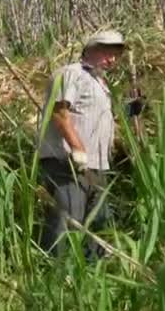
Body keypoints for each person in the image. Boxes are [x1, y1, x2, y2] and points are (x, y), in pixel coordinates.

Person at [36, 29, 144, 257]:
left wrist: (130, 109)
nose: (112, 59)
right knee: (69, 217)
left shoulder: (100, 84)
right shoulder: (71, 74)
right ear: (90, 50)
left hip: (96, 165)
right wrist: (77, 148)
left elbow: (99, 115)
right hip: (68, 163)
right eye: (107, 52)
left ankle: (92, 270)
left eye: (116, 55)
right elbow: (58, 112)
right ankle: (55, 273)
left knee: (99, 219)